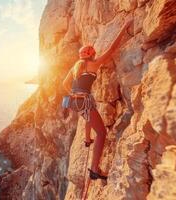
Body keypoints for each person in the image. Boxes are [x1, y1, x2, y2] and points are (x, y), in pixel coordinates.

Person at [62, 18, 133, 180]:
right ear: (92, 55)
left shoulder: (75, 67)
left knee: (88, 115)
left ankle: (87, 139)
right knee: (101, 133)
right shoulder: (93, 65)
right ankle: (94, 169)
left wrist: (73, 93)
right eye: (94, 54)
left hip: (75, 101)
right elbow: (112, 49)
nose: (95, 56)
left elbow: (64, 84)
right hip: (83, 101)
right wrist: (124, 26)